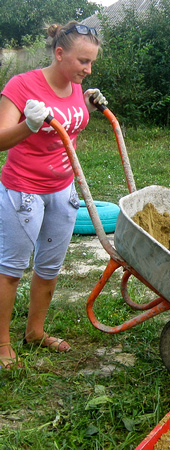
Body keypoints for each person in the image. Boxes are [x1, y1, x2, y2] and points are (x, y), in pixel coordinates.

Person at [0, 21, 107, 369]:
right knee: (11, 270)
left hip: (62, 190)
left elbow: (65, 123)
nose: (88, 69)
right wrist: (27, 125)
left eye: (91, 62)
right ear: (59, 54)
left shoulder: (75, 86)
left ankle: (34, 332)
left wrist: (87, 105)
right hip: (23, 191)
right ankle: (2, 345)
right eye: (82, 61)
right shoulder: (22, 85)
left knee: (49, 267)